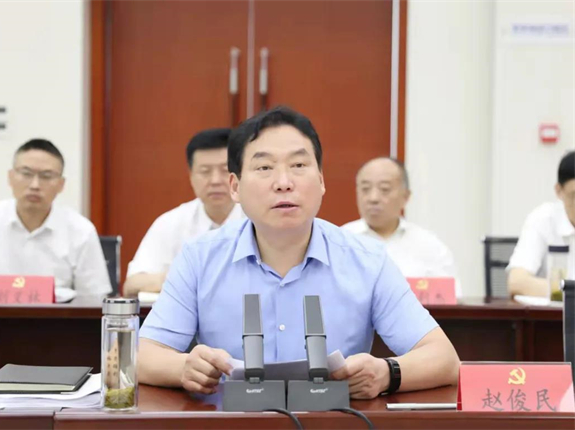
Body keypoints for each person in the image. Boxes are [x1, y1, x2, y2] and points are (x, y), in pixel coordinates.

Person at [138, 107, 459, 399]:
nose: (284, 182)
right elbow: (142, 355)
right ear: (235, 187)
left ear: (320, 181)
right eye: (264, 167)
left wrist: (387, 373)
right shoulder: (199, 258)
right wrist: (183, 367)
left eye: (299, 165)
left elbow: (444, 359)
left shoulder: (367, 260)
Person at [0, 139, 111, 296]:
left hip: (59, 313)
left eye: (46, 176)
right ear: (10, 177)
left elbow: (94, 298)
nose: (35, 185)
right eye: (26, 174)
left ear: (61, 184)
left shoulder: (81, 231)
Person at [123, 128, 245, 296]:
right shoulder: (171, 223)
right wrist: (185, 278)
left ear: (239, 174)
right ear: (191, 175)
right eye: (205, 171)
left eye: (225, 170)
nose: (215, 180)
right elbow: (132, 284)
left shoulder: (259, 220)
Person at [342, 158, 460, 293]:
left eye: (384, 189)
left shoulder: (430, 246)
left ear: (405, 196)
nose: (373, 198)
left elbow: (450, 298)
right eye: (365, 189)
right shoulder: (339, 241)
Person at [508, 151, 575, 297]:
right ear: (559, 191)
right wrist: (567, 294)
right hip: (553, 311)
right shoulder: (543, 219)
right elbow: (517, 282)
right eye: (574, 195)